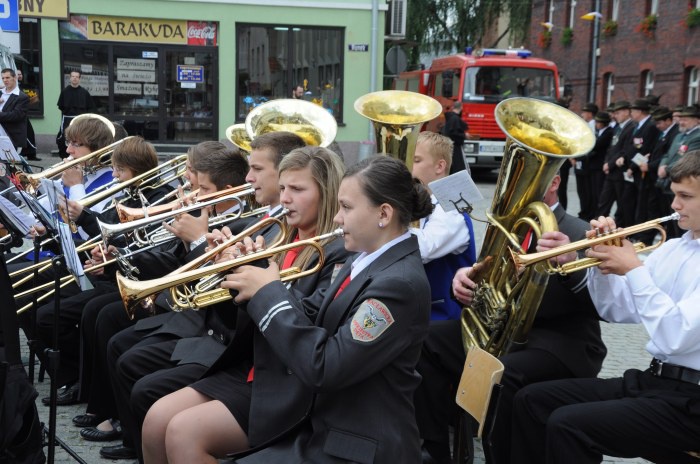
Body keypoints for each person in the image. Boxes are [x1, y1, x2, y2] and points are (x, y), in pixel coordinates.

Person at [142, 155, 433, 464]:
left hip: (355, 442)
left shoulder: (398, 285)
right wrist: (253, 273)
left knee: (189, 438)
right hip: (324, 418)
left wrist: (269, 293)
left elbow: (326, 368)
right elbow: (310, 312)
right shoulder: (365, 259)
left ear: (384, 214)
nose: (337, 218)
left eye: (346, 208)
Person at [510, 151, 700, 464]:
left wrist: (634, 269)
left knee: (569, 424)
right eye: (675, 195)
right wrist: (598, 262)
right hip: (658, 382)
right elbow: (617, 309)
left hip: (692, 402)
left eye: (685, 196)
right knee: (532, 400)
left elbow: (676, 335)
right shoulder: (676, 248)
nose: (674, 205)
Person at [448, 172, 607, 464]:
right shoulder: (512, 229)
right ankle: (434, 449)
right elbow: (486, 277)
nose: (514, 189)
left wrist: (571, 267)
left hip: (560, 343)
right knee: (432, 340)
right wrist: (463, 279)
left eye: (531, 178)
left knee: (502, 375)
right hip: (505, 331)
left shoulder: (580, 231)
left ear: (555, 183)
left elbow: (600, 305)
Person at [56, 71, 95, 158]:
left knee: (81, 138)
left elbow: (90, 108)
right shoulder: (65, 92)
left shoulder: (84, 92)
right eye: (73, 76)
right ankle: (65, 157)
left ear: (79, 79)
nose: (74, 78)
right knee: (65, 138)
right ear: (70, 78)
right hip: (67, 120)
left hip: (81, 120)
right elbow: (61, 107)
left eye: (77, 77)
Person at [0, 68, 29, 156]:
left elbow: (16, 115)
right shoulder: (1, 93)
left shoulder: (21, 97)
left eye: (8, 77)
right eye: (3, 78)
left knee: (10, 166)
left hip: (11, 137)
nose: (5, 80)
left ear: (14, 78)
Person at [15, 69, 39, 161]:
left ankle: (31, 154)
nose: (19, 76)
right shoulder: (14, 88)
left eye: (20, 74)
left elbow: (34, 98)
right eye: (17, 74)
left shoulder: (25, 86)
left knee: (29, 133)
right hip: (16, 115)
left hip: (23, 114)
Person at [442, 101, 469, 175]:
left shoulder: (450, 117)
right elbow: (453, 133)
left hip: (450, 145)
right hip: (455, 146)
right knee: (458, 167)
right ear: (461, 107)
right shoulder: (455, 118)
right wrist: (464, 135)